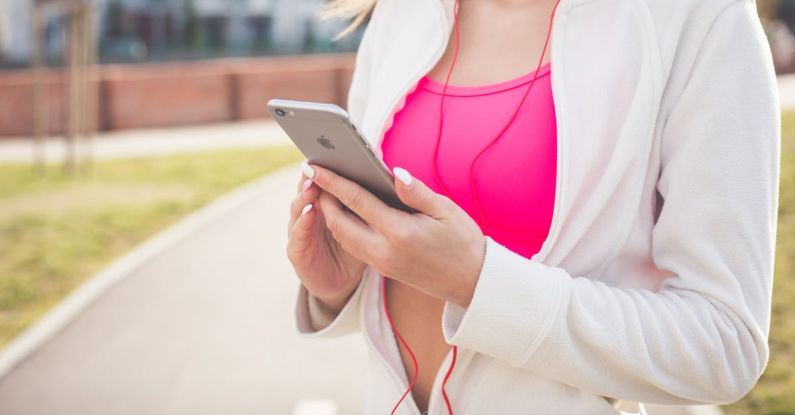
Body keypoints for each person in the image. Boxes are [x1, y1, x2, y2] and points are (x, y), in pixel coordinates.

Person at [285, 0, 781, 414]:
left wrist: (479, 283)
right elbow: (405, 268)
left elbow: (724, 344)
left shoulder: (699, 17)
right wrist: (340, 288)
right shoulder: (404, 11)